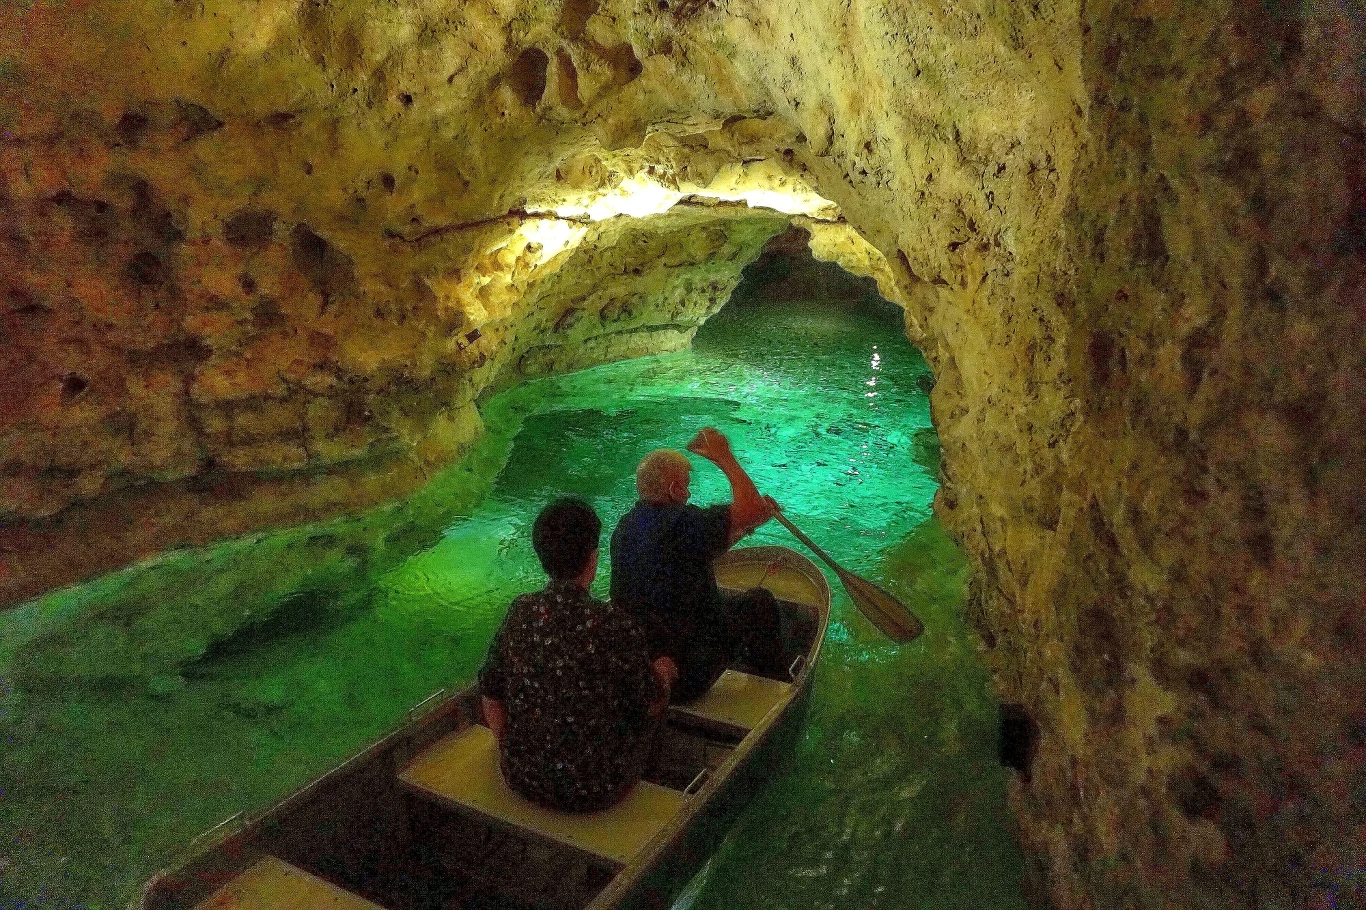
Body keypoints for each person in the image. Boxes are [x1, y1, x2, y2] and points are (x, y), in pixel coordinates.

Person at [479, 497, 676, 813]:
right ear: (593, 560)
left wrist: (512, 748)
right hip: (600, 789)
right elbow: (649, 704)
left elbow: (490, 694)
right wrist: (664, 674)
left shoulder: (521, 611)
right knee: (659, 693)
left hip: (521, 779)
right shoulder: (618, 625)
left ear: (542, 557)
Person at [610, 427, 783, 704]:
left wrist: (747, 524)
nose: (688, 494)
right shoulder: (683, 522)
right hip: (687, 673)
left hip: (643, 667)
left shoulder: (624, 528)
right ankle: (775, 689)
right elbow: (749, 506)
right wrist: (724, 457)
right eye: (686, 485)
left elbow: (702, 547)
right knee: (759, 603)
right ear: (674, 489)